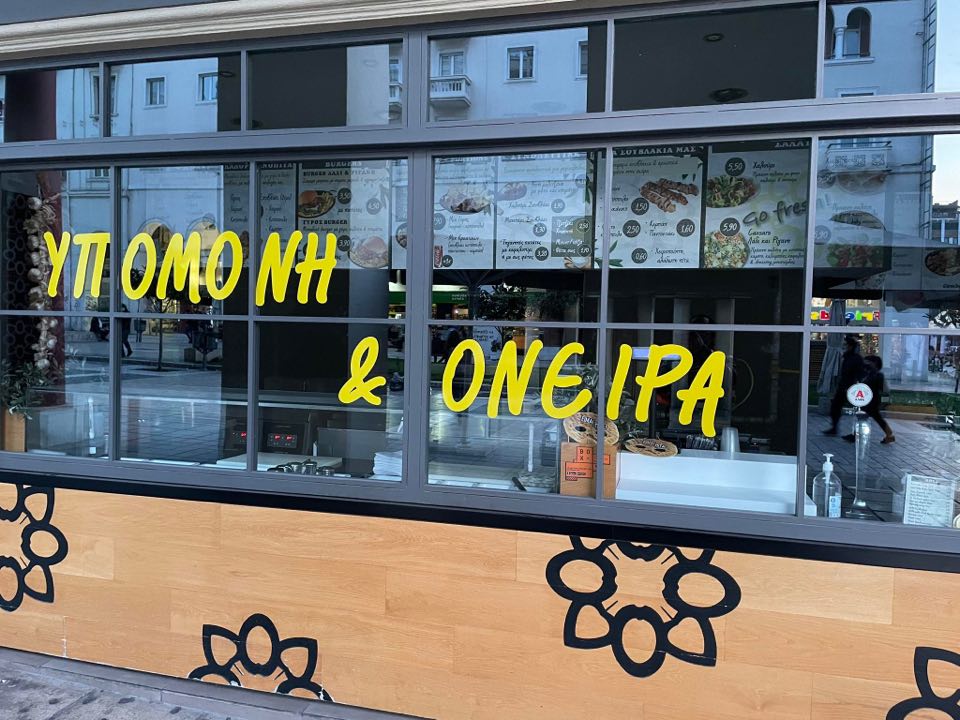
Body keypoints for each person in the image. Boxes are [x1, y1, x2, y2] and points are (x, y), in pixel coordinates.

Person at [845, 355, 895, 444]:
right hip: (868, 401)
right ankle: (889, 435)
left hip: (873, 402)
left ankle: (856, 435)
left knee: (866, 417)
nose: (865, 364)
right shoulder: (868, 374)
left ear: (874, 364)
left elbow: (885, 390)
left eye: (868, 362)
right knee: (872, 418)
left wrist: (884, 402)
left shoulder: (878, 375)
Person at [824, 336, 864, 435]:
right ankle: (834, 428)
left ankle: (855, 432)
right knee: (835, 407)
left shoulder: (855, 358)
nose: (844, 346)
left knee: (856, 409)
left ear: (851, 346)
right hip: (844, 386)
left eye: (846, 345)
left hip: (851, 387)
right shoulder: (847, 357)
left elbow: (858, 374)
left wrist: (856, 385)